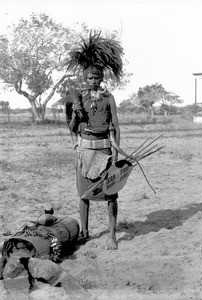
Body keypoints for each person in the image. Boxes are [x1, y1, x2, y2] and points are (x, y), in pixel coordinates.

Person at [65, 31, 124, 250]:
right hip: (85, 150)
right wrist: (76, 114)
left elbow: (116, 125)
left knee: (111, 193)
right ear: (84, 78)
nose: (94, 81)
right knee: (84, 195)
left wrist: (117, 152)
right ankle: (85, 232)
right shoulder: (78, 97)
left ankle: (111, 236)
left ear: (102, 78)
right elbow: (72, 128)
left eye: (97, 77)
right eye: (90, 77)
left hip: (105, 151)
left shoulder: (109, 98)